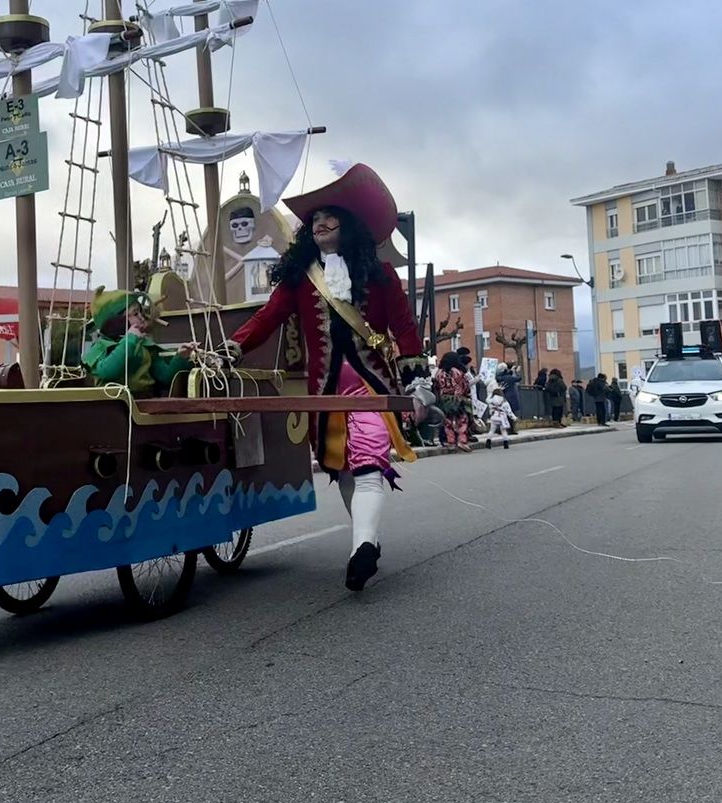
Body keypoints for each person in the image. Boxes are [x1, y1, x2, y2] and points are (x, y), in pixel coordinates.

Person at [227, 163, 423, 592]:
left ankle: (363, 550)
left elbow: (405, 328)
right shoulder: (300, 278)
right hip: (326, 391)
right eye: (314, 219)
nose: (319, 223)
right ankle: (365, 539)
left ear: (348, 225)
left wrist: (418, 378)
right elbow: (268, 316)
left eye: (328, 217)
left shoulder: (380, 274)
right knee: (344, 469)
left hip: (371, 387)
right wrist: (234, 347)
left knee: (370, 462)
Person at [81, 288, 194, 396]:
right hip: (115, 405)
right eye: (135, 314)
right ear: (117, 320)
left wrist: (181, 357)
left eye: (140, 312)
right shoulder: (101, 346)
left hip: (145, 402)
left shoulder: (143, 345)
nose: (142, 317)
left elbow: (164, 376)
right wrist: (130, 340)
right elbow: (107, 371)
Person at [433, 351, 473, 450]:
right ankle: (462, 441)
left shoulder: (439, 373)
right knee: (462, 420)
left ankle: (450, 441)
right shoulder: (458, 372)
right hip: (457, 398)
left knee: (447, 421)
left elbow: (437, 386)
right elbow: (465, 386)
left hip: (444, 399)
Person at [483, 383, 515, 448]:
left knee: (492, 430)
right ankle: (506, 444)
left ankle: (488, 443)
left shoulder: (491, 400)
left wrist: (491, 393)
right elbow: (509, 411)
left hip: (494, 415)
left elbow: (487, 399)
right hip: (502, 417)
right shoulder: (504, 401)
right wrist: (513, 417)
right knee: (503, 430)